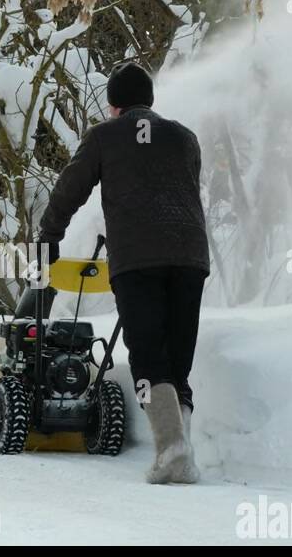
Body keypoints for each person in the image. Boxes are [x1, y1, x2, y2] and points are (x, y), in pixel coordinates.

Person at [37, 62, 210, 484]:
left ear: (113, 106)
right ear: (149, 101)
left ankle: (172, 451)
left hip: (138, 260)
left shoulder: (103, 136)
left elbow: (70, 187)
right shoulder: (184, 137)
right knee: (176, 356)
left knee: (148, 356)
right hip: (190, 257)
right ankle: (179, 452)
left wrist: (49, 235)